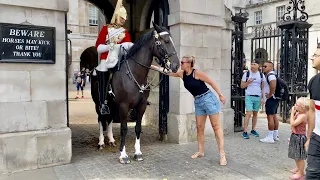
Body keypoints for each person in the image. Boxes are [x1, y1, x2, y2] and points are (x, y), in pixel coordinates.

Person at [151, 55, 227, 166]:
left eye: (182, 62)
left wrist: (220, 95)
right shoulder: (182, 74)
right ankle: (200, 151)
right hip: (198, 102)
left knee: (216, 127)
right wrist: (155, 67)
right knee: (200, 128)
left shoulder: (197, 73)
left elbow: (211, 82)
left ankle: (222, 154)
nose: (180, 64)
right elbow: (168, 73)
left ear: (189, 64)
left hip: (208, 99)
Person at [94, 0, 133, 115]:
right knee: (103, 71)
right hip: (106, 59)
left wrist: (122, 45)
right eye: (122, 18)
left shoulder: (125, 32)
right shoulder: (105, 29)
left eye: (125, 18)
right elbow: (98, 47)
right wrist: (109, 46)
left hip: (120, 58)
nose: (124, 20)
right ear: (117, 17)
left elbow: (129, 46)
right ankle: (103, 103)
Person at [305, 43, 320, 179]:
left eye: (315, 55)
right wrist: (309, 138)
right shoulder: (313, 81)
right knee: (312, 174)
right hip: (317, 138)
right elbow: (312, 111)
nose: (312, 58)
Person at [240, 59, 265, 139]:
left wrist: (262, 98)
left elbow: (262, 88)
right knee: (248, 113)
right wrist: (248, 82)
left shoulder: (261, 75)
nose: (252, 66)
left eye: (254, 64)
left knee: (255, 113)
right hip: (249, 96)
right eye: (252, 64)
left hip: (257, 96)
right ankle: (245, 131)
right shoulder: (247, 74)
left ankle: (253, 129)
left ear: (258, 66)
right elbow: (242, 86)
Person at [288, 97, 309, 180]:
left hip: (300, 137)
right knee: (295, 154)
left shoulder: (303, 116)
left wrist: (292, 113)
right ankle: (297, 168)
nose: (295, 106)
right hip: (294, 135)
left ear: (303, 107)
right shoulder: (298, 113)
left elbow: (293, 123)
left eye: (297, 105)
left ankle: (301, 173)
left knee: (299, 156)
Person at [260, 61, 280, 143]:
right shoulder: (272, 75)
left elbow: (273, 85)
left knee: (270, 117)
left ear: (271, 67)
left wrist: (270, 94)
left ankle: (270, 137)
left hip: (271, 99)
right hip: (274, 99)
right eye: (263, 66)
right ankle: (275, 134)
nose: (264, 68)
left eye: (266, 66)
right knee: (274, 116)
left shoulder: (270, 75)